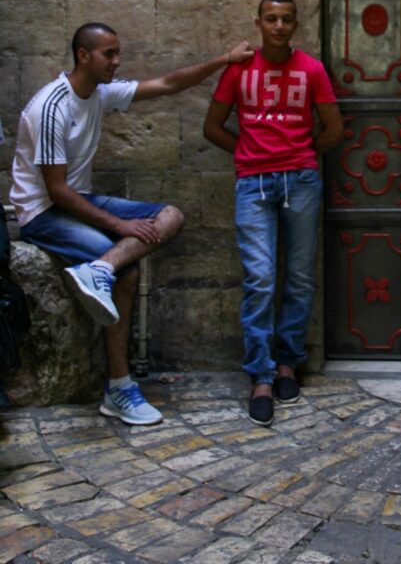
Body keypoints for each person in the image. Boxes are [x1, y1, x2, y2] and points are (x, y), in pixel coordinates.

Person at [10, 23, 254, 426]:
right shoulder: (50, 106)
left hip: (77, 200)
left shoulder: (100, 93)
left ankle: (99, 269)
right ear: (83, 55)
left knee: (170, 215)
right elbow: (56, 191)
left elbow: (167, 83)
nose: (117, 61)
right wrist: (119, 227)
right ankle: (119, 388)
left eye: (117, 52)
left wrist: (224, 60)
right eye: (109, 54)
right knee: (129, 269)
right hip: (42, 212)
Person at [203, 0, 343, 427]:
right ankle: (260, 376)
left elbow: (333, 128)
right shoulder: (240, 69)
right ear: (259, 22)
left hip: (300, 181)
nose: (279, 26)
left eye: (286, 19)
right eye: (271, 19)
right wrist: (249, 153)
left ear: (295, 24)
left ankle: (288, 363)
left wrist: (299, 155)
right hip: (253, 184)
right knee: (260, 278)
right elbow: (213, 126)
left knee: (299, 277)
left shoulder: (311, 69)